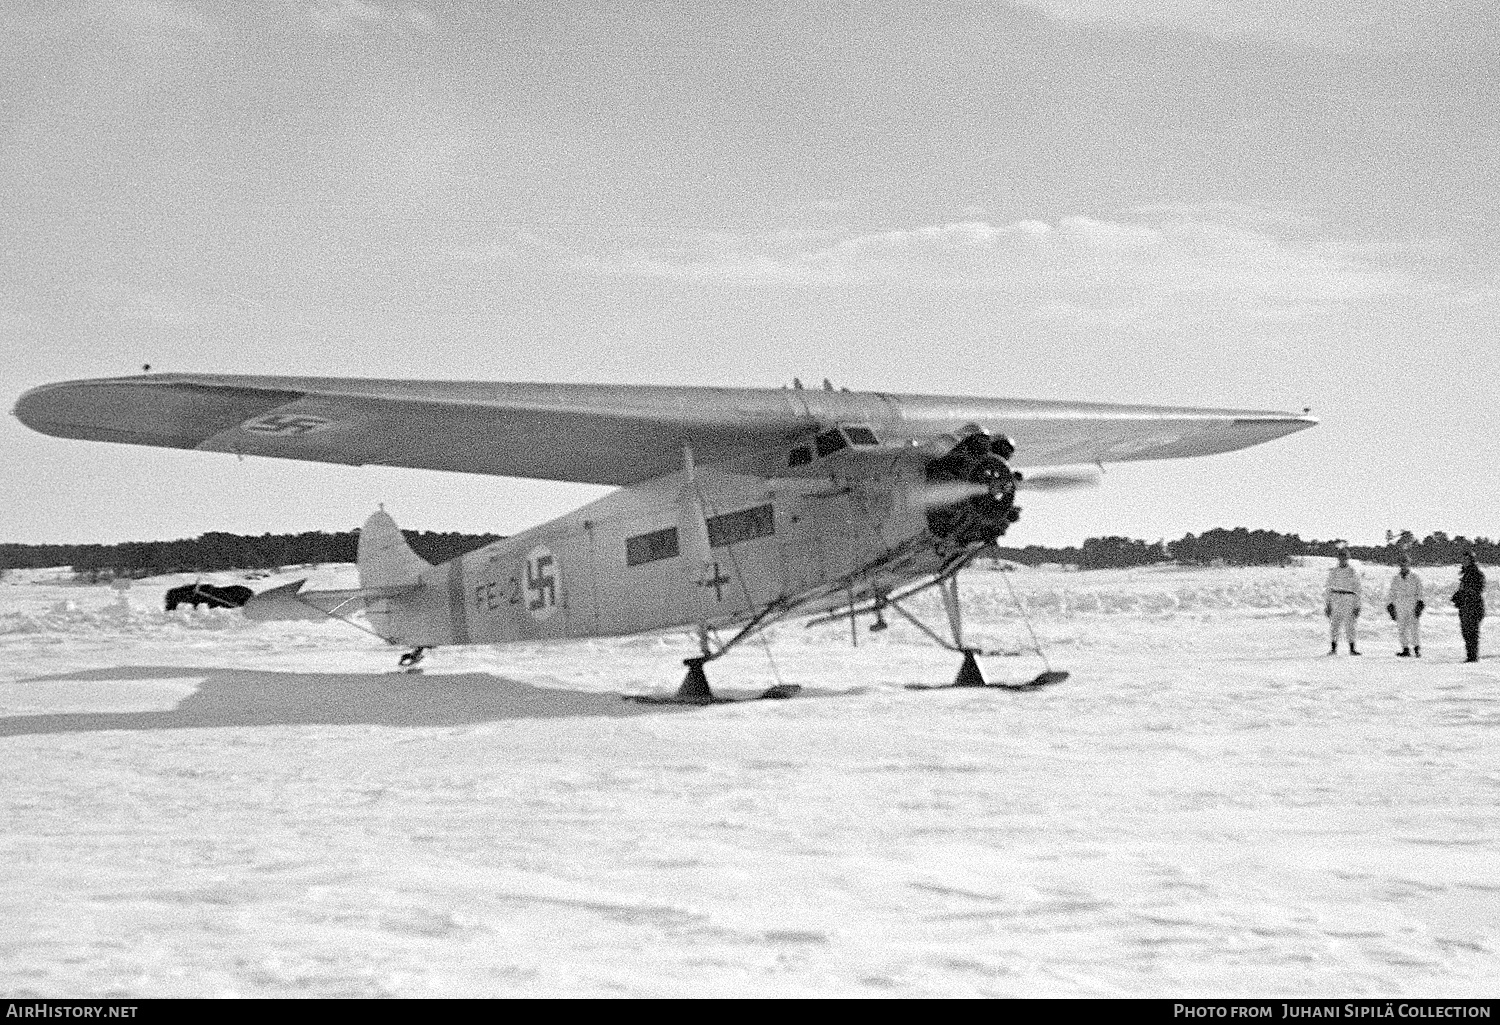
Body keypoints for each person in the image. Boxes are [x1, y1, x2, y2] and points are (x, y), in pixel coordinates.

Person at [1385, 554, 1425, 657]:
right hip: (1400, 604)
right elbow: (1392, 593)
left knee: (1414, 627)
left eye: (1405, 563)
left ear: (1408, 564)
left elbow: (1420, 592)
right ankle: (1405, 649)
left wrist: (1420, 604)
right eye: (1401, 563)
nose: (1403, 565)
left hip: (1412, 604)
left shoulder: (1415, 577)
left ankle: (1416, 648)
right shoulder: (1395, 578)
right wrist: (1390, 606)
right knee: (1401, 628)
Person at [1324, 549, 1362, 655]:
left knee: (1350, 625)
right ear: (1338, 558)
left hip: (1349, 599)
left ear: (1347, 558)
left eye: (1344, 557)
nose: (1342, 559)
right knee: (1334, 624)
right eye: (1341, 557)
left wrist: (1357, 605)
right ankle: (1333, 648)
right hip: (1335, 598)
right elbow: (1328, 588)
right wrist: (1328, 604)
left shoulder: (1352, 571)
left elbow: (1358, 589)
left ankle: (1352, 648)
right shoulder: (1334, 572)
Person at [1451, 551, 1486, 663]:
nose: (1464, 561)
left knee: (1472, 633)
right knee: (1466, 632)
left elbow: (1478, 590)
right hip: (1465, 608)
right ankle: (1470, 655)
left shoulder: (1477, 574)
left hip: (1474, 608)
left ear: (1471, 560)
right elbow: (1464, 590)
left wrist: (1464, 595)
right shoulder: (1465, 574)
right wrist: (1458, 596)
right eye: (1463, 559)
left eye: (1467, 559)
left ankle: (1473, 657)